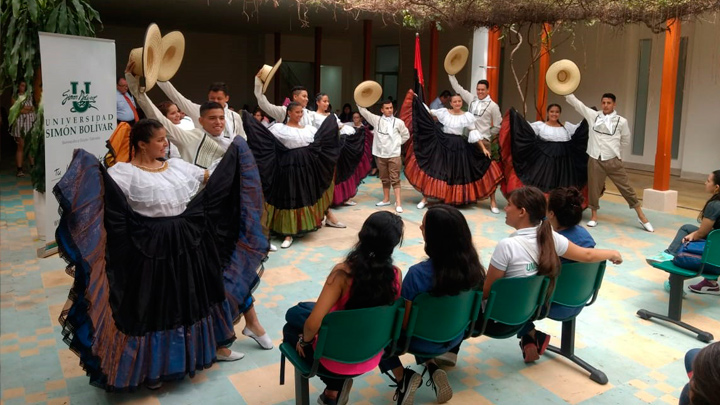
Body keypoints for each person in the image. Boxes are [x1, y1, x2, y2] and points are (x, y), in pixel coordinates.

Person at [54, 119, 268, 391]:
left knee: (195, 296)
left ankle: (216, 349)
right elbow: (105, 200)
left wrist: (236, 156)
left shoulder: (177, 167)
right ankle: (155, 367)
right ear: (142, 144)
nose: (166, 143)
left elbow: (210, 178)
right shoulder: (124, 173)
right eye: (159, 139)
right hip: (148, 247)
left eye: (165, 138)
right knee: (157, 305)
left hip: (186, 241)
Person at [126, 66, 277, 339]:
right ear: (200, 120)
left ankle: (245, 324)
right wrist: (134, 84)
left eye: (221, 117)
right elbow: (155, 113)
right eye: (212, 118)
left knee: (232, 267)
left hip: (227, 215)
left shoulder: (234, 141)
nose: (218, 122)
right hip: (197, 217)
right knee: (213, 273)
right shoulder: (188, 137)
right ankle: (225, 331)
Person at [445, 186, 622, 365]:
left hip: (500, 319)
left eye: (509, 205)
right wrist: (612, 253)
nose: (505, 209)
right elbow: (587, 255)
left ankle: (445, 348)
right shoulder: (552, 238)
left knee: (460, 287)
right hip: (530, 310)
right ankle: (530, 336)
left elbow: (486, 293)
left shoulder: (507, 246)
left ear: (522, 212)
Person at [283, 211, 404, 405]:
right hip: (371, 353)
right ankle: (333, 392)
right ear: (393, 244)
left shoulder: (343, 274)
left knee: (292, 326)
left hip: (333, 357)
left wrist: (304, 342)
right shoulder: (396, 275)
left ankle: (334, 387)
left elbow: (313, 324)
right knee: (300, 312)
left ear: (362, 236)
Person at [379, 205, 485, 405]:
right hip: (455, 336)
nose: (420, 227)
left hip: (419, 340)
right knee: (429, 322)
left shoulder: (417, 274)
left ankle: (403, 377)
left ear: (436, 236)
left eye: (424, 225)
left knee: (380, 334)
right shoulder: (474, 269)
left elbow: (406, 324)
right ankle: (432, 366)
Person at [243, 101, 342, 249]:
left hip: (306, 168)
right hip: (287, 169)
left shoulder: (309, 129)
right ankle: (288, 232)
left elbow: (319, 142)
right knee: (289, 197)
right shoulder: (279, 128)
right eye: (297, 112)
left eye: (301, 112)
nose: (300, 115)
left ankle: (299, 226)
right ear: (289, 113)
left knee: (303, 196)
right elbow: (268, 142)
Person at [516, 187, 596, 362]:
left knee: (512, 290)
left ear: (551, 214)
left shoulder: (551, 242)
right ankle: (531, 337)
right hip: (580, 299)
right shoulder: (586, 238)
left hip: (552, 305)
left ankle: (530, 333)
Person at [565, 92, 653, 231]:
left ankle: (641, 216)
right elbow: (579, 105)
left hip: (613, 160)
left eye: (609, 103)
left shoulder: (621, 121)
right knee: (594, 188)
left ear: (614, 104)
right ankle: (594, 216)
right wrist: (567, 92)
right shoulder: (594, 116)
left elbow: (625, 140)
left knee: (626, 188)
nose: (606, 105)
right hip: (595, 158)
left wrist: (615, 152)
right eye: (604, 103)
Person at [406, 93, 502, 209]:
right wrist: (417, 100)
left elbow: (473, 131)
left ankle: (458, 198)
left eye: (459, 101)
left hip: (458, 145)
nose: (457, 103)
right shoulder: (444, 112)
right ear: (451, 103)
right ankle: (425, 198)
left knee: (457, 172)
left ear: (462, 103)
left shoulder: (467, 116)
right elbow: (428, 113)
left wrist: (483, 149)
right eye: (455, 101)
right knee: (436, 169)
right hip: (442, 143)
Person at [647, 170, 720, 294]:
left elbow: (702, 233)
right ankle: (711, 283)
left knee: (686, 232)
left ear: (717, 187)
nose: (705, 183)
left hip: (716, 250)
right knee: (689, 228)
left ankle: (669, 261)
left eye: (708, 181)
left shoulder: (715, 205)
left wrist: (694, 235)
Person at [499, 103, 590, 199]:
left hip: (564, 165)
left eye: (557, 112)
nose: (554, 114)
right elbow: (525, 129)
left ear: (560, 114)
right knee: (545, 184)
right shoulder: (540, 126)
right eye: (552, 112)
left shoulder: (567, 127)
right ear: (547, 113)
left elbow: (580, 129)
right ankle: (542, 204)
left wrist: (589, 116)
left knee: (563, 186)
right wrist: (516, 116)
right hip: (545, 164)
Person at [448, 77, 503, 213]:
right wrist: (451, 73)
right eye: (478, 89)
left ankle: (493, 202)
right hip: (467, 141)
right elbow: (458, 88)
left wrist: (486, 133)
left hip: (483, 141)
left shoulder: (493, 106)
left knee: (487, 171)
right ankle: (468, 197)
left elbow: (498, 125)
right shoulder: (472, 99)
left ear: (488, 90)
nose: (480, 92)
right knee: (468, 171)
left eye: (482, 90)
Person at [312, 93, 372, 208]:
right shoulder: (313, 116)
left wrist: (349, 130)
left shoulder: (332, 115)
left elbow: (341, 126)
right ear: (318, 102)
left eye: (327, 101)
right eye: (324, 101)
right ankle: (323, 200)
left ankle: (339, 197)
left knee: (338, 173)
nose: (326, 103)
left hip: (335, 148)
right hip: (322, 150)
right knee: (324, 175)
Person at [358, 99, 410, 213]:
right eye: (387, 108)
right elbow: (364, 112)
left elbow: (406, 135)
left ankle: (398, 203)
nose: (389, 110)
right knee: (384, 178)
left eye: (391, 107)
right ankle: (386, 199)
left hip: (394, 154)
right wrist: (359, 99)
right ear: (382, 110)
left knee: (395, 179)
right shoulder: (377, 120)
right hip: (380, 154)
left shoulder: (398, 122)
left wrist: (397, 143)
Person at [156, 80, 246, 140]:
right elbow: (176, 97)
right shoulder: (198, 110)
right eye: (212, 98)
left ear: (227, 98)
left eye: (219, 98)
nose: (215, 101)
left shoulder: (235, 117)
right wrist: (160, 77)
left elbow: (242, 138)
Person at [10, 81, 36, 177]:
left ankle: (33, 166)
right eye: (22, 85)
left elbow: (33, 108)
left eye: (25, 85)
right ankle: (19, 169)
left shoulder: (29, 96)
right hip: (20, 124)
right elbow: (17, 110)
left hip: (31, 123)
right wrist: (26, 109)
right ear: (18, 86)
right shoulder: (14, 97)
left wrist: (24, 108)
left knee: (30, 146)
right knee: (21, 146)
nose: (24, 87)